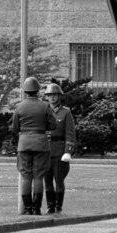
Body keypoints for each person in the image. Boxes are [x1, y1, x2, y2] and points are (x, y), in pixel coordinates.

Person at [12, 77, 56, 215]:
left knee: (26, 176)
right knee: (38, 176)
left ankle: (27, 208)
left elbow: (14, 128)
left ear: (25, 91)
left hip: (24, 143)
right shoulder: (45, 106)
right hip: (41, 143)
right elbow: (52, 125)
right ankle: (37, 208)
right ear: (38, 90)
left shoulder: (19, 107)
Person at [43, 82, 76, 214]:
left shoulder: (65, 112)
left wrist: (68, 151)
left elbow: (70, 133)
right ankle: (50, 207)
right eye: (49, 95)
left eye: (54, 95)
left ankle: (58, 207)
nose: (51, 97)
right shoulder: (43, 111)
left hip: (59, 150)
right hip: (45, 150)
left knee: (59, 179)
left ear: (59, 96)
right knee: (47, 180)